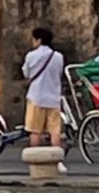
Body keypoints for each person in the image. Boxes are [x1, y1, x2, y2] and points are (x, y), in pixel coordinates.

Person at [19, 26, 67, 160]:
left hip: (36, 97)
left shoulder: (31, 55)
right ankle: (57, 160)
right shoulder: (58, 57)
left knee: (35, 131)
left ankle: (35, 159)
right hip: (54, 98)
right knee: (55, 132)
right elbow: (59, 73)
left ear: (38, 40)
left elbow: (26, 74)